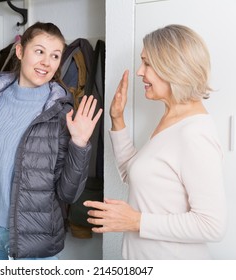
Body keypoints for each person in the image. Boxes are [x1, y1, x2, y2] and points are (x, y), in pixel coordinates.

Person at [0, 21, 102, 260]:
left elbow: (68, 194)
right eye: (39, 52)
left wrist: (79, 144)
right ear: (20, 51)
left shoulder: (60, 112)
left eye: (55, 55)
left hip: (34, 243)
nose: (47, 62)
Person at [84, 24, 227, 259]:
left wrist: (136, 221)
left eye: (147, 63)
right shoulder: (171, 120)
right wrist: (117, 119)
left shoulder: (194, 134)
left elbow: (212, 225)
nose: (140, 71)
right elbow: (135, 174)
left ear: (173, 67)